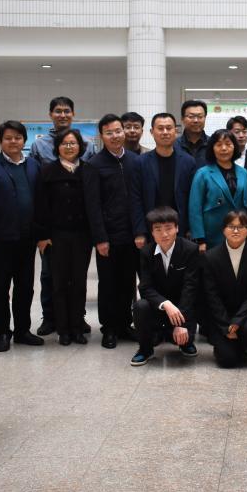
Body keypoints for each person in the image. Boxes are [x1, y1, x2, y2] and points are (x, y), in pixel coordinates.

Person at [0, 121, 44, 352]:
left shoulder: (33, 165)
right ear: (1, 141)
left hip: (27, 239)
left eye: (17, 137)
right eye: (8, 138)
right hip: (0, 240)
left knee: (25, 287)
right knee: (0, 288)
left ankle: (23, 330)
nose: (13, 141)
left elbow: (40, 201)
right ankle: (3, 332)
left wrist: (41, 233)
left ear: (24, 140)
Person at [30, 96, 96, 337]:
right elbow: (39, 194)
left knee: (78, 278)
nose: (62, 115)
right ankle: (51, 318)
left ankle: (77, 319)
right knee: (50, 276)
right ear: (50, 114)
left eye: (67, 111)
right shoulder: (39, 146)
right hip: (54, 229)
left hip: (80, 229)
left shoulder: (88, 145)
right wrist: (42, 233)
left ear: (73, 114)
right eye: (58, 111)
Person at [83, 113, 140, 349]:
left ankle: (125, 324)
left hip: (132, 235)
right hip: (108, 236)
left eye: (118, 131)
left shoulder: (135, 161)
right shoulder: (94, 165)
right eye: (109, 133)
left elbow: (139, 198)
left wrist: (140, 231)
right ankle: (109, 328)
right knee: (108, 283)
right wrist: (100, 238)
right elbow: (92, 205)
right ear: (101, 136)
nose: (115, 136)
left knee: (128, 282)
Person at [131, 207, 200, 366]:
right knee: (140, 306)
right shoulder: (146, 253)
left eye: (169, 228)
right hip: (159, 307)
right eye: (158, 229)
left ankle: (183, 340)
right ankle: (145, 350)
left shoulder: (190, 249)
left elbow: (190, 288)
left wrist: (180, 324)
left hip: (182, 308)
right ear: (152, 232)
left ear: (177, 228)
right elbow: (145, 288)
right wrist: (165, 304)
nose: (164, 234)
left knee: (184, 339)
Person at [200, 210, 247, 367]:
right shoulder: (211, 257)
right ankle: (234, 346)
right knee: (228, 360)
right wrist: (226, 326)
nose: (236, 231)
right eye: (231, 226)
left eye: (241, 227)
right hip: (222, 315)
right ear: (223, 230)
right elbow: (211, 295)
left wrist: (238, 320)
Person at [130, 113, 197, 245]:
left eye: (169, 128)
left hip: (180, 229)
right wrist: (140, 232)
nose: (165, 132)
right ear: (152, 132)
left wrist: (190, 228)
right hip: (151, 229)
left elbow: (193, 199)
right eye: (160, 128)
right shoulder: (140, 162)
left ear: (175, 131)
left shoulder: (188, 162)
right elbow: (135, 199)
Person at [188, 129, 247, 251]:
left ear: (234, 147)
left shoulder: (243, 173)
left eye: (228, 144)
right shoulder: (203, 173)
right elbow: (194, 209)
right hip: (212, 235)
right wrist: (200, 239)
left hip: (238, 233)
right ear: (212, 148)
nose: (224, 148)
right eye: (219, 145)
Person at [176, 100, 209, 165]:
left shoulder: (213, 144)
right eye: (191, 117)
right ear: (182, 119)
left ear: (205, 118)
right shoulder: (174, 145)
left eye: (200, 116)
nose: (196, 120)